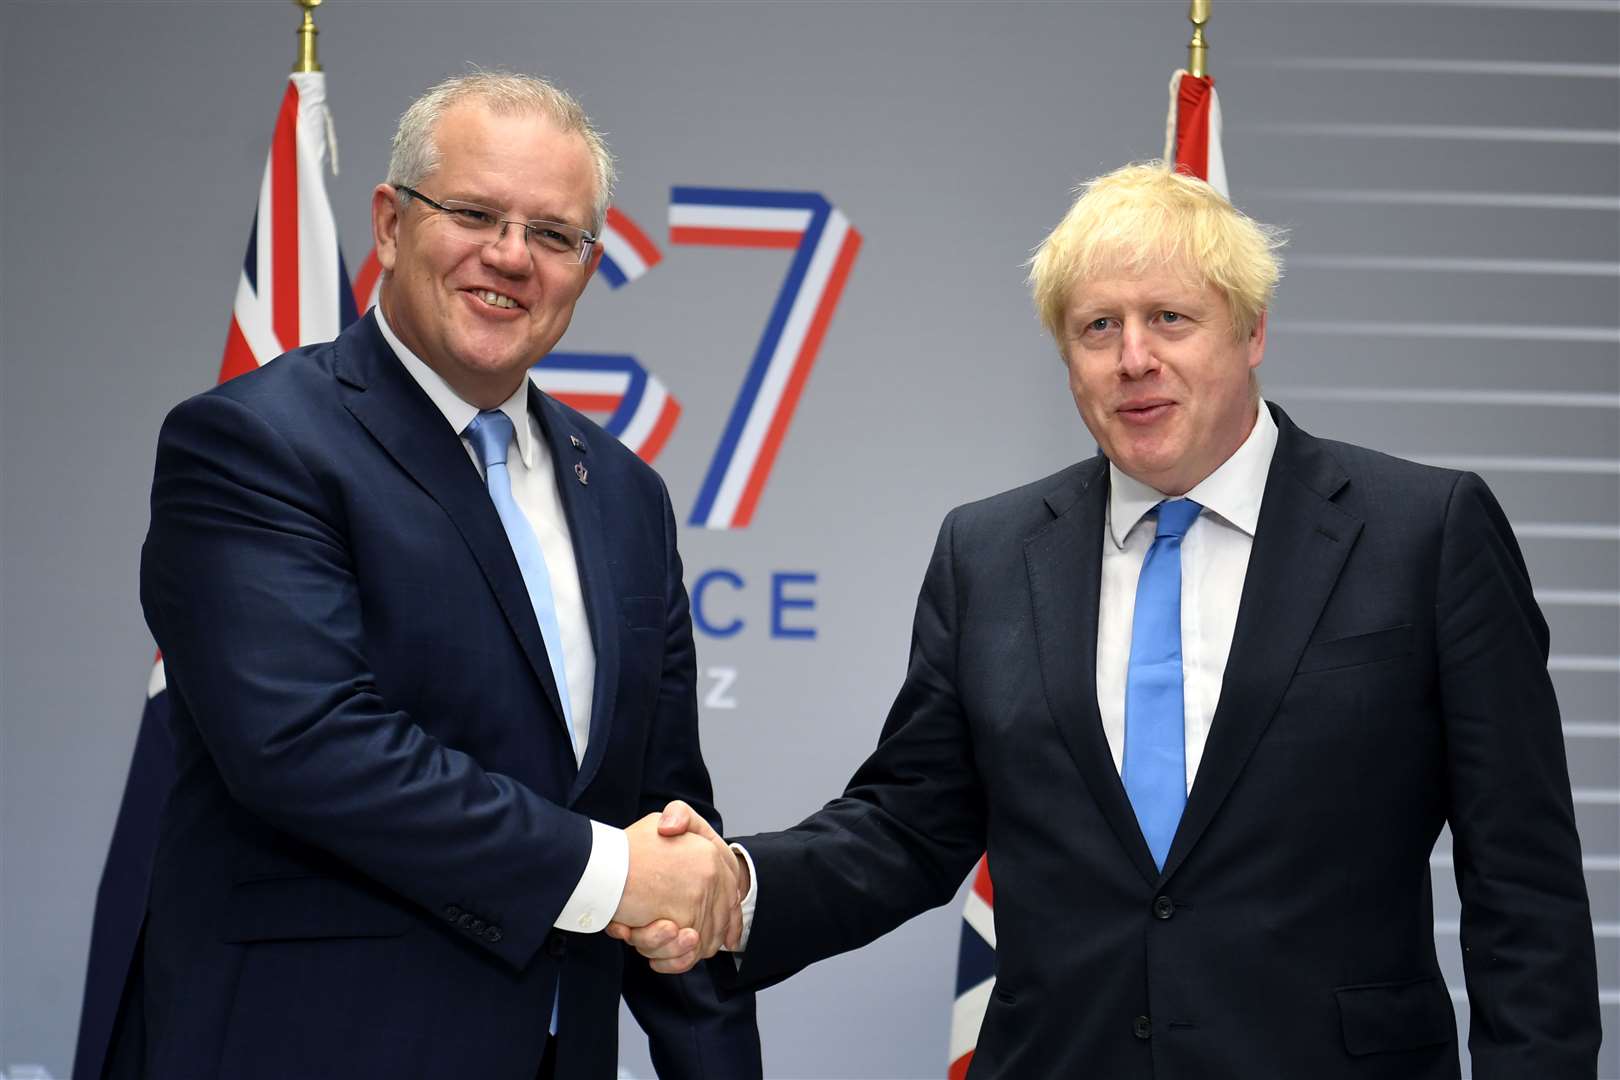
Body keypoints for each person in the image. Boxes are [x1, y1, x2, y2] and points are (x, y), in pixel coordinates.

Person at [618, 163, 1602, 1078]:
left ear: (1251, 330)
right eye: (1098, 328)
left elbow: (1523, 884)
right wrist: (736, 887)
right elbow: (907, 829)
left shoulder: (1421, 531)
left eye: (1171, 318)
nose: (1134, 359)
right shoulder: (991, 553)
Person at [118, 71, 759, 1080]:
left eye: (554, 234)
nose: (511, 256)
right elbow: (308, 744)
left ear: (588, 267)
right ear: (389, 221)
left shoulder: (625, 493)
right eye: (474, 213)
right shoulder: (253, 443)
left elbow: (666, 816)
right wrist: (609, 875)